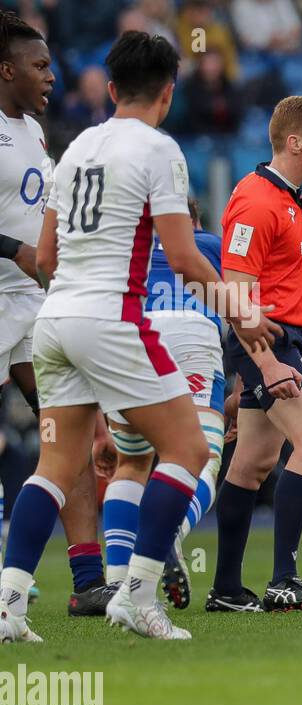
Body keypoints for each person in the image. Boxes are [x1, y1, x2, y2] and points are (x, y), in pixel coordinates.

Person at [0, 30, 275, 643]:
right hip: (111, 318)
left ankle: (9, 605)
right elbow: (181, 256)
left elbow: (44, 255)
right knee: (190, 450)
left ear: (114, 87)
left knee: (55, 465)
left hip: (53, 320)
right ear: (169, 94)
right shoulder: (159, 151)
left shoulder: (73, 149)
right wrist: (239, 311)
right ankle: (138, 596)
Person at [0, 11, 116, 617]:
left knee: (65, 433)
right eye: (40, 66)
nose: (53, 76)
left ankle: (88, 580)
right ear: (6, 68)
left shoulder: (34, 131)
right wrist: (14, 250)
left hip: (31, 303)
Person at [210, 95, 302, 612]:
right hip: (268, 340)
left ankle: (225, 589)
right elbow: (233, 291)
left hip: (279, 341)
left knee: (253, 463)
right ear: (294, 142)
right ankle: (284, 578)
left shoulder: (286, 198)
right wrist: (262, 362)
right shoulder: (258, 201)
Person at [101, 196, 227, 610]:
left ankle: (117, 583)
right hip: (190, 332)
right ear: (190, 220)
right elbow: (242, 302)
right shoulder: (206, 243)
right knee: (204, 455)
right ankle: (170, 530)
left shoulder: (121, 250)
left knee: (132, 462)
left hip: (131, 337)